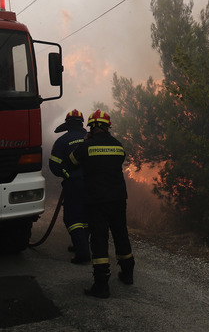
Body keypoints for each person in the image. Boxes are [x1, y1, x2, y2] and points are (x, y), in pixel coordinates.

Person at [65, 109, 134, 298]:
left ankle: (101, 286)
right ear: (107, 127)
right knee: (121, 234)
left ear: (92, 127)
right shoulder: (118, 146)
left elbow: (70, 162)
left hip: (96, 200)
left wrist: (85, 143)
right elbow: (120, 160)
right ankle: (127, 274)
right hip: (118, 198)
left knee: (99, 239)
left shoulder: (86, 146)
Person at [48, 109, 91, 264]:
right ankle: (82, 244)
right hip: (93, 184)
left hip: (74, 185)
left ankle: (82, 253)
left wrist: (65, 174)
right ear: (82, 123)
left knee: (73, 218)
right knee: (86, 216)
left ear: (67, 124)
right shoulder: (90, 139)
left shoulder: (62, 141)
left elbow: (54, 165)